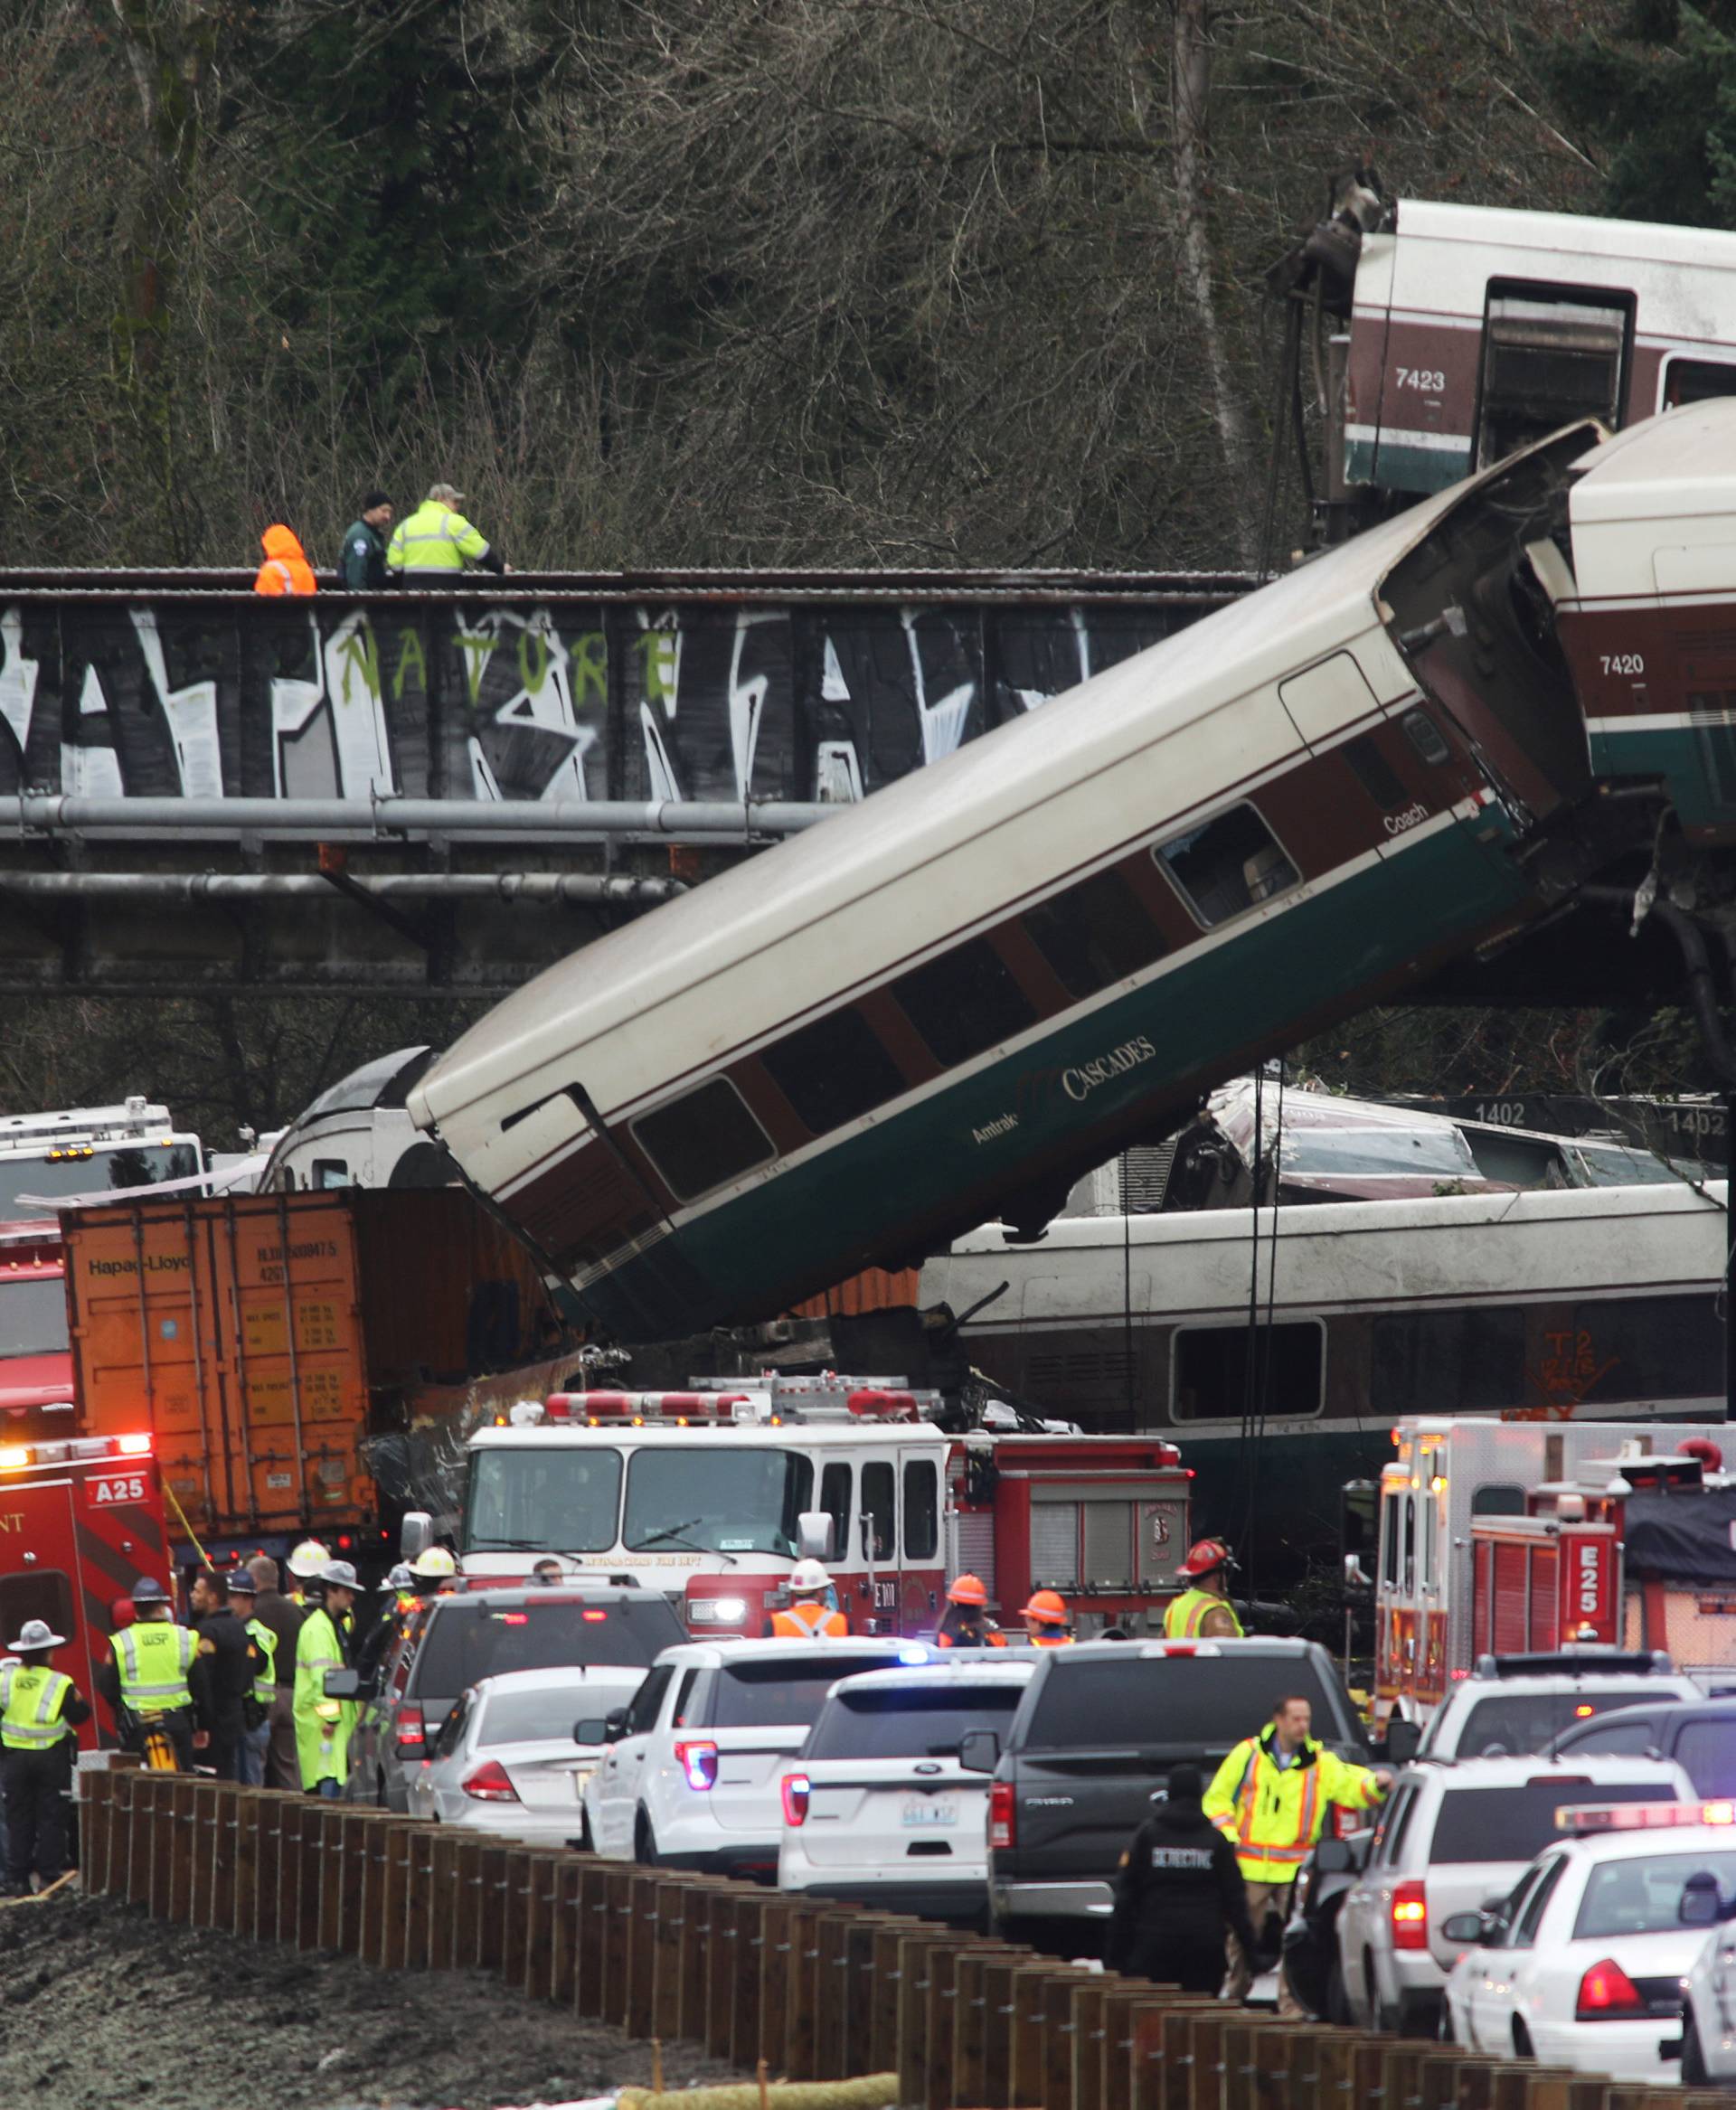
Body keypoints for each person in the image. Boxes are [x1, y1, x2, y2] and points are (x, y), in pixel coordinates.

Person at [1204, 1694, 1392, 2015]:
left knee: (1295, 1944)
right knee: (1242, 1938)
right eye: (1296, 1719)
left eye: (1306, 1719)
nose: (1303, 1725)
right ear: (1278, 1720)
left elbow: (1351, 1782)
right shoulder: (1248, 1755)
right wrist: (1230, 1837)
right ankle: (1234, 1996)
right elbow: (1216, 1801)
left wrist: (1376, 1783)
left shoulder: (1319, 1762)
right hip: (1251, 1868)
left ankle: (1290, 2009)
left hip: (1295, 1870)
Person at [1107, 1763, 1260, 1994]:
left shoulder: (1148, 1836)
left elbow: (1126, 1896)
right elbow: (1236, 1902)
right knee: (1200, 2019)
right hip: (1204, 1947)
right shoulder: (1215, 1841)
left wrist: (1115, 1955)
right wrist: (1252, 1954)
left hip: (1154, 1944)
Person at [0, 1619, 90, 1895]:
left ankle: (17, 1880)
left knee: (18, 1819)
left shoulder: (6, 1680)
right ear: (48, 1652)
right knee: (51, 1817)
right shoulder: (60, 1683)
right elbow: (81, 1715)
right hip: (50, 1759)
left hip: (14, 1760)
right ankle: (50, 1879)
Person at [100, 1576, 198, 1771]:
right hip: (177, 1722)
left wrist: (121, 1708)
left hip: (138, 1725)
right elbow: (200, 1683)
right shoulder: (186, 1638)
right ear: (162, 1607)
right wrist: (201, 1725)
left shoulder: (120, 1642)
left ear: (135, 1610)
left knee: (140, 1789)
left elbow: (106, 1686)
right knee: (184, 1785)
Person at [294, 1559, 360, 1797]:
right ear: (331, 1591)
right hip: (324, 1727)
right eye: (347, 1592)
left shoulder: (333, 1626)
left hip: (333, 1725)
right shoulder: (318, 1630)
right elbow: (322, 1679)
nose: (352, 1598)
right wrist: (330, 1718)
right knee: (328, 1785)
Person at [188, 1569, 253, 1782]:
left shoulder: (207, 1631)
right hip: (235, 1717)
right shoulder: (238, 1626)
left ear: (213, 1597)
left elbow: (203, 1680)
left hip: (215, 1721)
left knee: (210, 1781)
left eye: (198, 1591)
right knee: (230, 1777)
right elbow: (247, 1673)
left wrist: (202, 1723)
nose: (192, 1595)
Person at [247, 1554, 305, 1793]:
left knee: (255, 1766)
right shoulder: (298, 1613)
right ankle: (296, 1821)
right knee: (288, 1767)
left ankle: (258, 1820)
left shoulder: (251, 1614)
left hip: (263, 1699)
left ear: (253, 1580)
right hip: (293, 1696)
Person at [386, 483, 505, 581]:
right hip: (446, 587)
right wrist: (500, 568)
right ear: (440, 499)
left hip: (412, 588)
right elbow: (480, 550)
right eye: (455, 502)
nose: (458, 506)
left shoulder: (406, 524)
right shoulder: (454, 522)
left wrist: (403, 577)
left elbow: (394, 559)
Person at [223, 1570, 276, 1787]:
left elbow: (255, 1664)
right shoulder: (240, 1629)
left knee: (251, 1786)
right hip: (242, 1718)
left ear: (247, 1599)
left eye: (233, 1596)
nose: (228, 1601)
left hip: (251, 1719)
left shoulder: (255, 1633)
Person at [1165, 1540, 1245, 1640]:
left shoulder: (1175, 1606)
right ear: (1217, 1577)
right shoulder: (1215, 1611)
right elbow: (1230, 1651)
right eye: (1224, 1574)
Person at [770, 1560, 847, 1638]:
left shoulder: (774, 1624)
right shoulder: (842, 1623)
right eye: (825, 1589)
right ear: (820, 1592)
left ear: (795, 1590)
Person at [339, 490, 394, 589]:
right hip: (366, 600)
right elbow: (356, 574)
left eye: (390, 512)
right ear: (370, 510)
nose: (388, 516)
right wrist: (361, 602)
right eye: (384, 511)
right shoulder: (360, 536)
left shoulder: (371, 534)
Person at [936, 1574, 1007, 1649]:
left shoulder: (949, 1631)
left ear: (954, 1603)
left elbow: (941, 1655)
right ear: (980, 1605)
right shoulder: (993, 1631)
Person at [252, 523, 317, 597]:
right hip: (307, 608)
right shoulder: (305, 567)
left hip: (282, 608)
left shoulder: (271, 570)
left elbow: (264, 601)